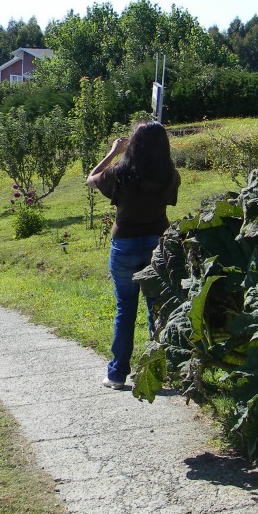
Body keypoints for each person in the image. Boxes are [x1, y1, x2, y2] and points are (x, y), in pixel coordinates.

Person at [86, 121, 180, 389]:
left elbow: (90, 180)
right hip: (157, 245)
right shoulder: (169, 174)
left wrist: (113, 152)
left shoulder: (120, 172)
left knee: (125, 309)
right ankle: (159, 372)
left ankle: (116, 375)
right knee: (157, 311)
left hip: (124, 245)